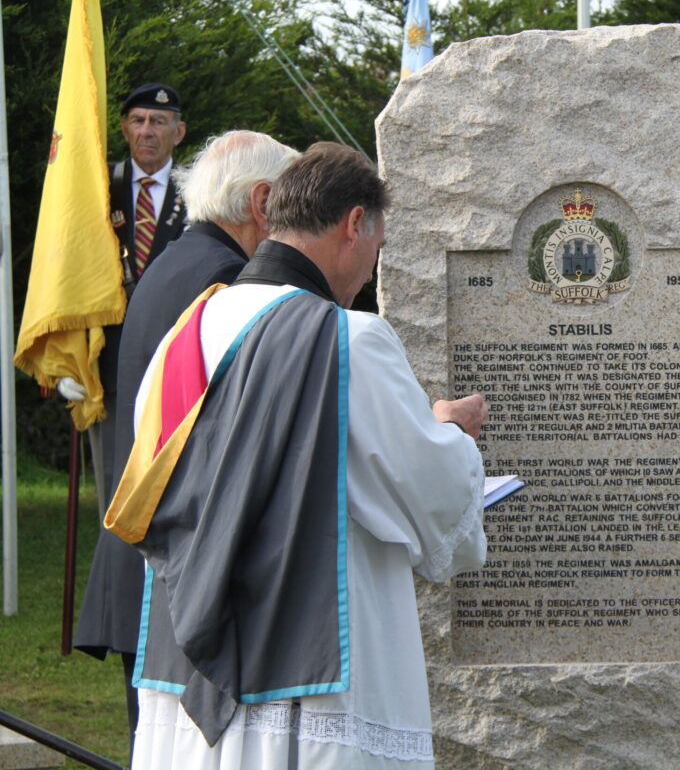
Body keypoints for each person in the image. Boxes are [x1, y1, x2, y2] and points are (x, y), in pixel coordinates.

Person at [104, 142, 488, 769]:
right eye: (376, 251)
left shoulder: (187, 331)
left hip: (190, 660)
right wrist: (447, 431)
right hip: (311, 675)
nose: (368, 274)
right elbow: (431, 496)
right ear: (353, 224)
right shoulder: (349, 340)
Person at [73, 131, 300, 754]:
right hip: (173, 568)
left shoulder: (178, 259)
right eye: (293, 202)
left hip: (148, 554)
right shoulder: (227, 279)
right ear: (261, 203)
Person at [58, 83, 189, 509]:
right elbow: (68, 273)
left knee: (174, 490)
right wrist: (68, 357)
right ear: (124, 127)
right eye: (138, 120)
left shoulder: (198, 192)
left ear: (179, 132)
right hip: (109, 364)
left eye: (159, 121)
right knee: (114, 492)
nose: (147, 130)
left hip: (177, 366)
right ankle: (114, 578)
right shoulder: (96, 190)